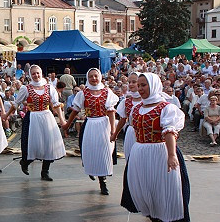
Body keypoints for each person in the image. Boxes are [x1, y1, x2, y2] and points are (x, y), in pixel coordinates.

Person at [121, 73, 190, 222]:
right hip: (140, 152)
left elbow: (170, 132)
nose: (140, 88)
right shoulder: (137, 108)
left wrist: (171, 155)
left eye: (143, 85)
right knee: (146, 188)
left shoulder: (167, 108)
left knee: (163, 188)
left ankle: (165, 217)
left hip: (160, 152)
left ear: (153, 85)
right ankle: (153, 216)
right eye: (138, 85)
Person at [62, 68, 119, 195]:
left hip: (103, 124)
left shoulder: (107, 92)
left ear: (100, 77)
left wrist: (113, 130)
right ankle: (93, 169)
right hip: (90, 123)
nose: (94, 78)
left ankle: (103, 182)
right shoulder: (83, 93)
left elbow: (110, 111)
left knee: (104, 151)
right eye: (91, 76)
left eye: (96, 76)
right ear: (88, 78)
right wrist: (67, 124)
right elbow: (75, 110)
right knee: (91, 150)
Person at [5, 65, 66, 181]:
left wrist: (62, 120)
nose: (36, 75)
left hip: (47, 116)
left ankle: (45, 171)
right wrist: (6, 115)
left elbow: (56, 104)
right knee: (31, 144)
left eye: (38, 73)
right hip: (32, 117)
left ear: (41, 73)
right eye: (33, 74)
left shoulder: (49, 87)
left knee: (49, 144)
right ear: (30, 75)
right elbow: (16, 104)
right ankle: (25, 162)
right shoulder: (26, 88)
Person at [111, 72, 142, 160]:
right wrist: (115, 134)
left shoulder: (148, 101)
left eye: (134, 82)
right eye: (129, 82)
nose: (131, 84)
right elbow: (123, 119)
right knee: (130, 159)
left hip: (144, 133)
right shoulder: (126, 101)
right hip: (131, 132)